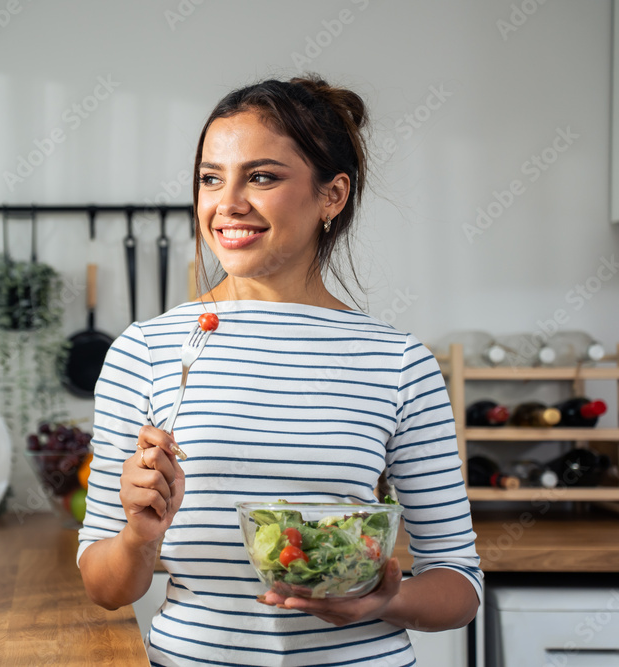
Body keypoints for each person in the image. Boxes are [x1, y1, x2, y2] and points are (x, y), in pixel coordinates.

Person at [76, 75, 482, 666]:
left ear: (331, 196)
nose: (228, 203)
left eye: (261, 177)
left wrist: (383, 603)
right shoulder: (147, 349)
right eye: (211, 178)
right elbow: (104, 587)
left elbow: (459, 584)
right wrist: (139, 537)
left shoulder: (398, 363)